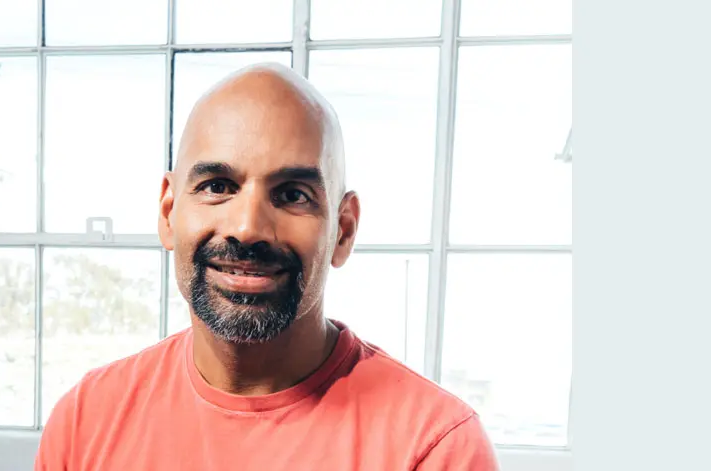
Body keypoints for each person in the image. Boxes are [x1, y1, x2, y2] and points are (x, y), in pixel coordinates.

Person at [34, 63, 500, 471]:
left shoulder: (436, 448)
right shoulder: (84, 421)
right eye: (217, 186)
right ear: (168, 213)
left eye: (293, 194)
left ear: (343, 231)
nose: (248, 227)